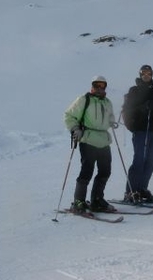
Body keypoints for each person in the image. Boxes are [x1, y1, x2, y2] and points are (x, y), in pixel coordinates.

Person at [64, 75, 118, 213]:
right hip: (88, 139)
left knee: (105, 171)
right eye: (97, 85)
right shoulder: (84, 100)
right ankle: (79, 201)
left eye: (102, 85)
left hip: (104, 140)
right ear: (92, 86)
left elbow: (110, 116)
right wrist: (75, 129)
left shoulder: (107, 102)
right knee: (87, 171)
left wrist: (111, 122)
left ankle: (97, 200)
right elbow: (69, 115)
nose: (100, 88)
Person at [122, 64, 153, 203]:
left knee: (152, 161)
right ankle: (130, 191)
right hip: (141, 130)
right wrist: (142, 109)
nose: (146, 76)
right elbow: (128, 110)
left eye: (149, 73)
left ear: (152, 74)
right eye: (144, 73)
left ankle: (142, 188)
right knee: (139, 161)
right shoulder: (134, 91)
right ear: (140, 74)